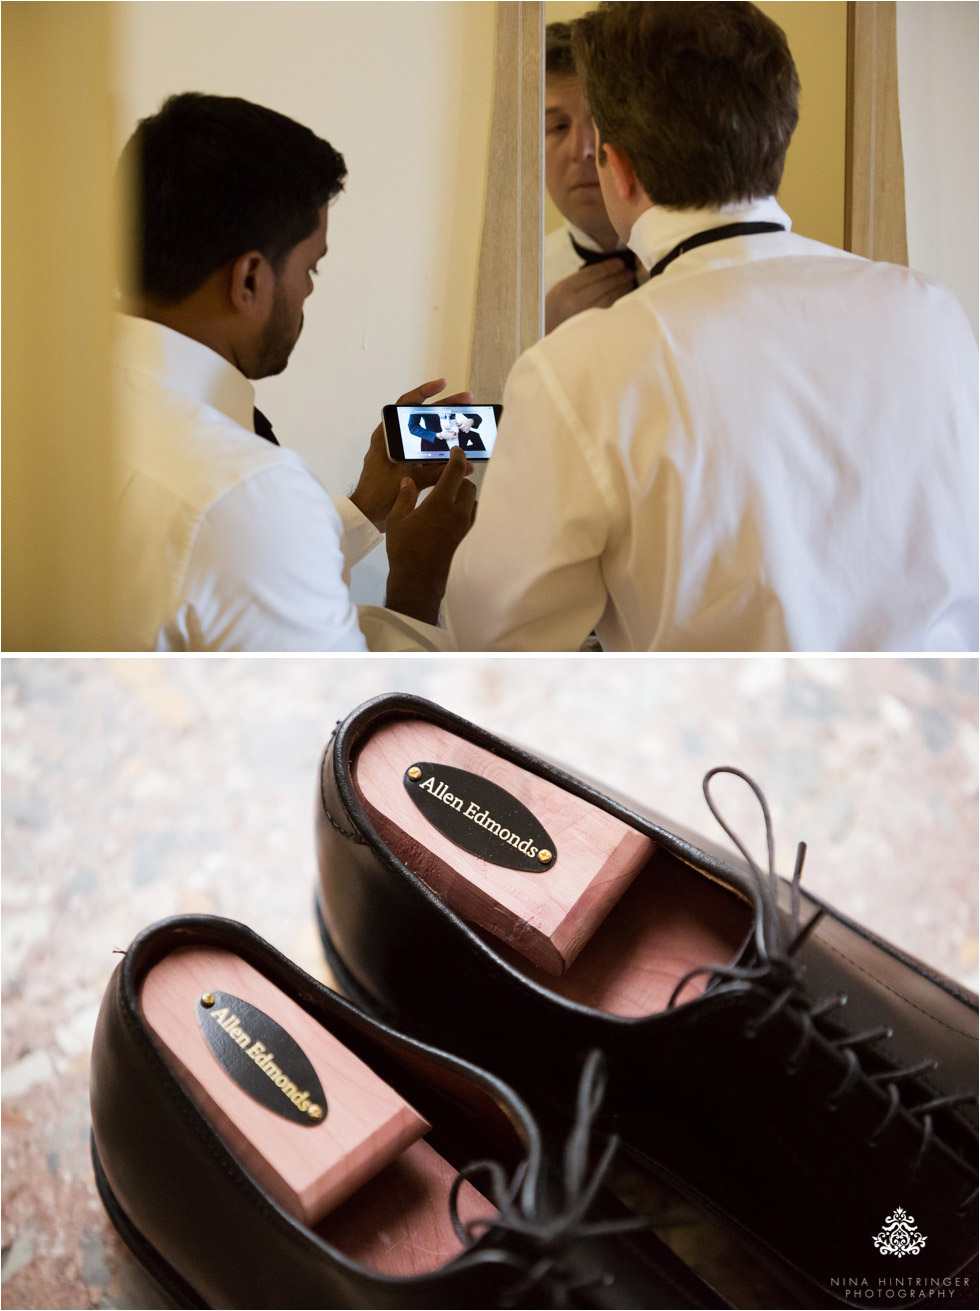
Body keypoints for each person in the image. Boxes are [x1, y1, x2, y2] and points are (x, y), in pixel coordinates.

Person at [445, 1, 978, 653]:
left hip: (717, 752)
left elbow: (501, 641)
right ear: (777, 137)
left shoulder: (580, 367)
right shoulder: (931, 314)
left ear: (620, 167)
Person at [114, 92, 476, 652]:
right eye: (311, 267)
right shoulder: (249, 492)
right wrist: (417, 584)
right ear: (250, 281)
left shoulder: (43, 404)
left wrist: (367, 508)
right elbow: (339, 723)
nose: (309, 290)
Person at [543, 21, 637, 333]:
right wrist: (540, 329)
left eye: (599, 122)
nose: (583, 151)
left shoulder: (698, 263)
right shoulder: (515, 287)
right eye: (557, 127)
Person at [407, 412, 487, 454]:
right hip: (433, 439)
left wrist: (470, 421)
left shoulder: (456, 403)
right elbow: (413, 427)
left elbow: (477, 418)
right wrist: (438, 435)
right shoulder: (427, 445)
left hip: (456, 435)